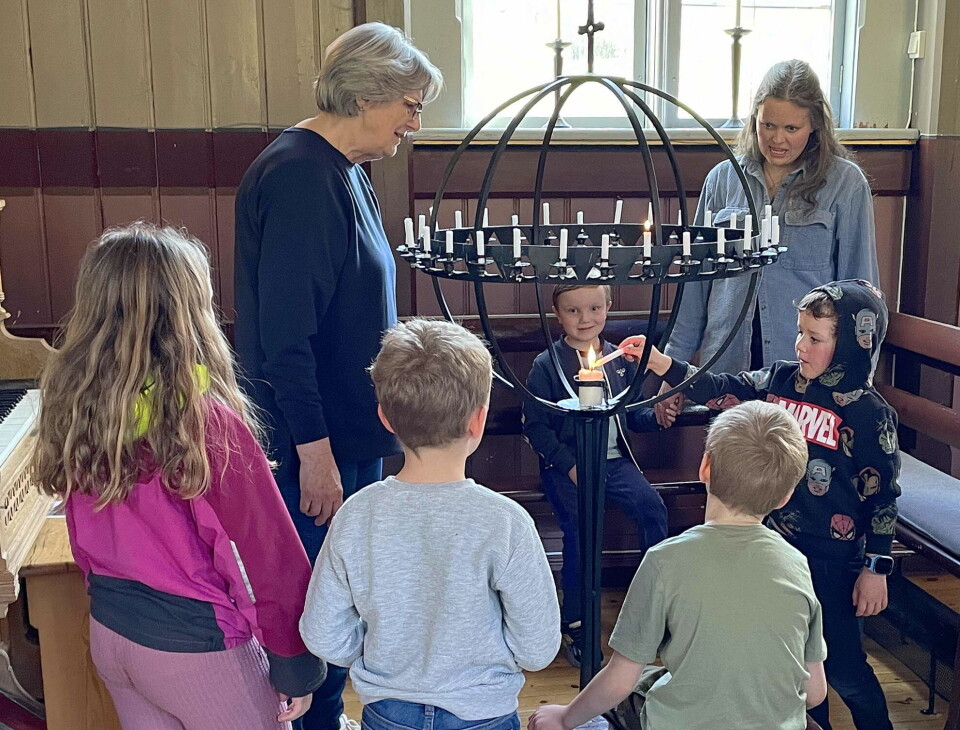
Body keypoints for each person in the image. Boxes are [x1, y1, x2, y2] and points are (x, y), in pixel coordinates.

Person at [31, 223, 325, 730]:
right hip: (198, 649)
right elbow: (265, 554)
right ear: (190, 313)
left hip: (113, 634)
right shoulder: (203, 421)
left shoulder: (78, 408)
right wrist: (296, 664)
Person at [233, 21, 442, 730]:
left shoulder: (343, 169)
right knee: (314, 611)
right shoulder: (298, 174)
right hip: (313, 445)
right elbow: (284, 341)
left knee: (342, 600)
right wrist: (314, 452)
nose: (416, 123)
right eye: (409, 106)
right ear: (365, 96)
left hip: (347, 437)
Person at [623, 278, 900, 730]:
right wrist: (660, 363)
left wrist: (876, 567)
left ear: (853, 342)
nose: (801, 346)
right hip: (775, 554)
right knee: (797, 669)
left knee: (845, 672)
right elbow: (721, 387)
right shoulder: (779, 381)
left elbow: (883, 497)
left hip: (833, 561)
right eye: (799, 333)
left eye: (815, 338)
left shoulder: (870, 413)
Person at [300, 319, 560, 730]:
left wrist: (370, 654)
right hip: (483, 712)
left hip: (388, 711)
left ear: (385, 418)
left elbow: (321, 633)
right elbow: (538, 649)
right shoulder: (505, 522)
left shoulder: (356, 514)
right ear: (479, 421)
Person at [529, 400, 827, 730]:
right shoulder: (797, 564)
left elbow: (619, 680)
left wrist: (564, 717)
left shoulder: (664, 560)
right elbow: (814, 692)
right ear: (785, 496)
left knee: (636, 683)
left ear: (705, 468)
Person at [659, 59, 879, 425]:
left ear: (815, 127)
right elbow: (695, 285)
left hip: (807, 374)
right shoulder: (722, 180)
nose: (778, 139)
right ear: (754, 120)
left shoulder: (846, 183)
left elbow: (861, 295)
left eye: (792, 127)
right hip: (727, 368)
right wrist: (674, 376)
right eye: (768, 125)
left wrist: (855, 384)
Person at [522, 284, 668, 667]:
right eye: (573, 311)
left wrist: (656, 417)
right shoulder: (546, 365)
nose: (585, 319)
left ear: (608, 307)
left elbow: (631, 414)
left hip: (615, 464)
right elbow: (536, 427)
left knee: (651, 507)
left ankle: (653, 605)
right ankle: (577, 621)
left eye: (593, 308)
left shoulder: (619, 360)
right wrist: (569, 465)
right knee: (581, 530)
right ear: (558, 314)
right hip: (567, 466)